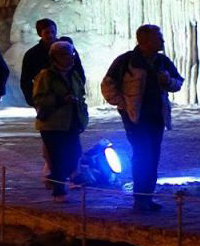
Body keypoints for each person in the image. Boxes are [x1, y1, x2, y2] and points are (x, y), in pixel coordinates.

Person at [101, 24, 184, 212]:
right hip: (135, 118)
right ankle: (140, 198)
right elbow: (108, 84)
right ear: (145, 41)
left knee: (153, 156)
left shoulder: (162, 61)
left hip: (156, 117)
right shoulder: (126, 62)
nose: (162, 40)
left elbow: (178, 82)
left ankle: (147, 197)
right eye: (159, 37)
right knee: (142, 155)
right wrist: (122, 104)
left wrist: (167, 81)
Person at [33, 40, 89, 202]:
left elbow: (81, 95)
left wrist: (82, 114)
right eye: (65, 55)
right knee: (57, 157)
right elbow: (39, 98)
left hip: (71, 121)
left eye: (71, 54)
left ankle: (60, 181)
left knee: (74, 154)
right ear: (55, 57)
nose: (70, 58)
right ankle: (59, 191)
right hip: (52, 123)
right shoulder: (46, 75)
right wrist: (61, 99)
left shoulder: (74, 74)